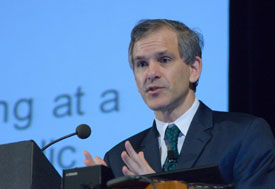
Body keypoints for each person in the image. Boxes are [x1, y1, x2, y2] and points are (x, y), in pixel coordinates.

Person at [83, 19, 275, 188]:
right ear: (135, 79)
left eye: (164, 60)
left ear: (194, 69)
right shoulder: (119, 160)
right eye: (141, 64)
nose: (151, 73)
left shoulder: (244, 136)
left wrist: (160, 188)